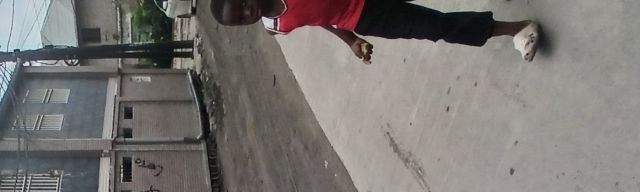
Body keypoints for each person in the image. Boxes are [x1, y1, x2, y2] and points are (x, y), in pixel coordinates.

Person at [210, 0, 541, 62]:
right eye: (241, 19)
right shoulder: (275, 27)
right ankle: (518, 29)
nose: (247, 12)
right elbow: (317, 19)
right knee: (435, 27)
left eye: (242, 4)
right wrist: (351, 40)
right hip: (366, 17)